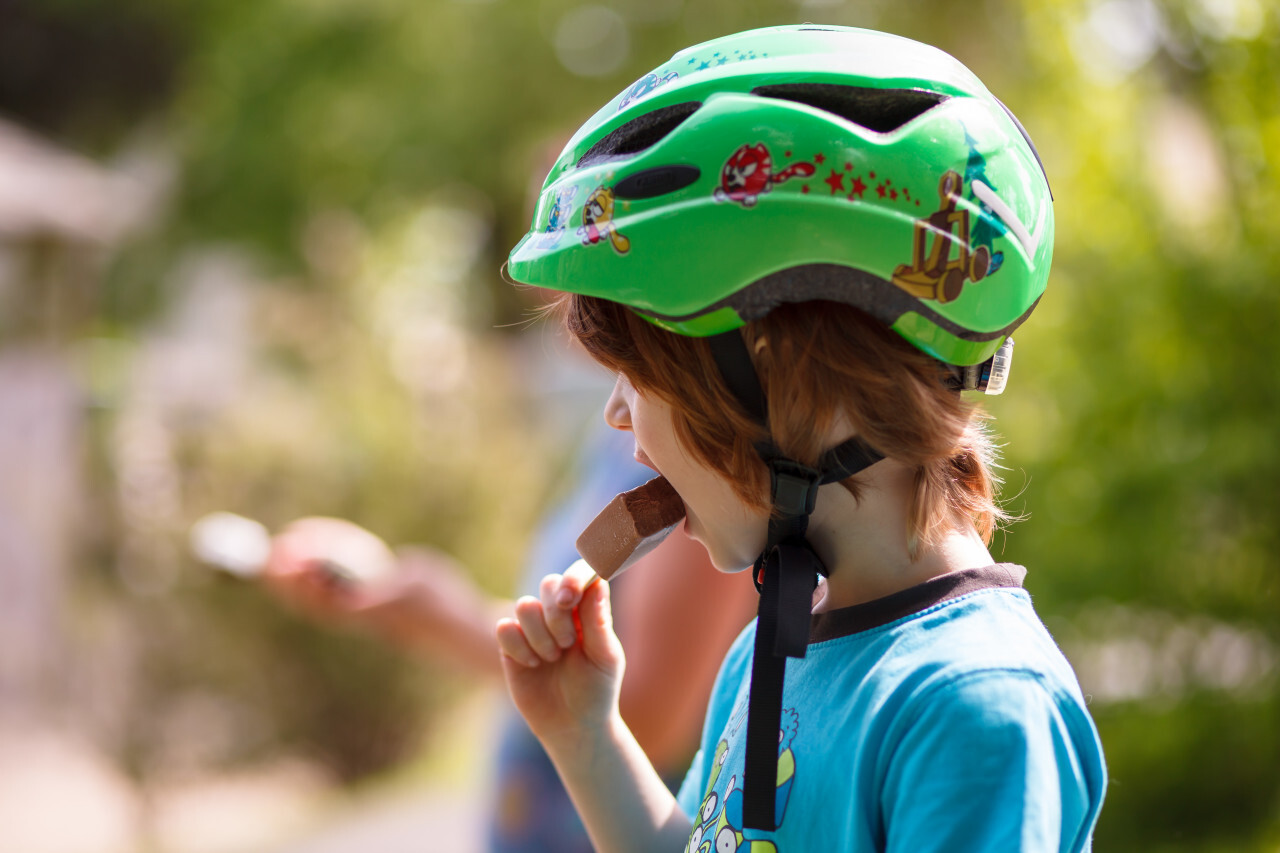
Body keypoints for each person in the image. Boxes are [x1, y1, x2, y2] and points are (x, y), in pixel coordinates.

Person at [494, 24, 1108, 852]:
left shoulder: (975, 704)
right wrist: (585, 737)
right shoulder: (770, 654)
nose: (616, 414)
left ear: (778, 375)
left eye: (639, 372)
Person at [263, 412, 758, 851]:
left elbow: (652, 720)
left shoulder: (701, 461)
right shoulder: (625, 428)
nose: (616, 405)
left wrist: (446, 619)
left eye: (634, 364)